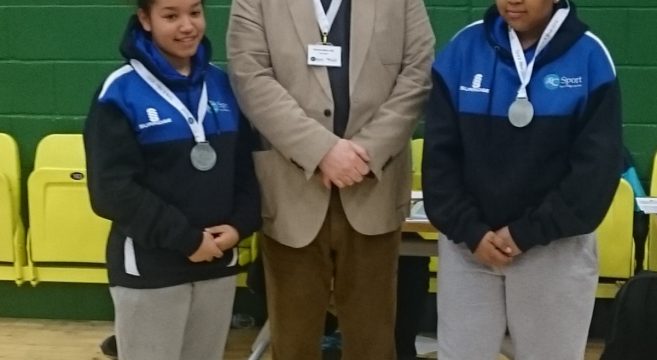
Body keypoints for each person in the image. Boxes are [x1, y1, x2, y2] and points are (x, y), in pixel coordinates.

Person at [226, 0, 435, 358]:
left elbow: (418, 73)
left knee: (374, 342)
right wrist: (321, 152)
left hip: (373, 186)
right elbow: (250, 76)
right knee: (292, 343)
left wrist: (364, 154)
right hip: (292, 190)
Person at [422, 0, 622, 359]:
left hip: (552, 249)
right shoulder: (462, 52)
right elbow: (439, 161)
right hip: (471, 249)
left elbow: (594, 176)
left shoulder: (590, 57)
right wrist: (471, 230)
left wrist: (526, 233)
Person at [83, 0, 261, 359]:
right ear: (145, 19)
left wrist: (240, 226)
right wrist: (187, 239)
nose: (187, 26)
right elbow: (111, 191)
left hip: (217, 261)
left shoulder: (223, 85)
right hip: (150, 270)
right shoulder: (119, 92)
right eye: (170, 15)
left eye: (195, 13)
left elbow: (248, 172)